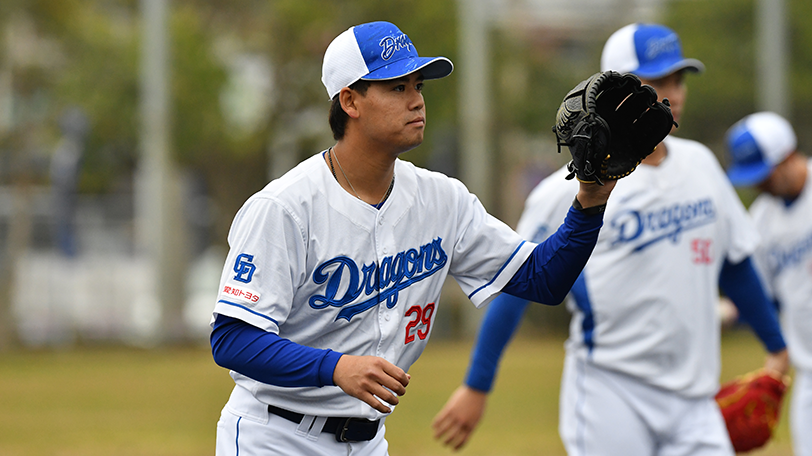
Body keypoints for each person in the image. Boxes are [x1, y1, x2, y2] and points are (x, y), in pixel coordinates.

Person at [209, 21, 620, 456]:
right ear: (349, 100)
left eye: (418, 85)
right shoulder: (286, 207)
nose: (417, 100)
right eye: (397, 87)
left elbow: (543, 278)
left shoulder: (442, 199)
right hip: (275, 437)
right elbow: (233, 338)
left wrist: (590, 200)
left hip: (367, 441)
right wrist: (335, 368)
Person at [432, 23, 790, 456]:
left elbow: (734, 264)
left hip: (696, 397)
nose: (672, 92)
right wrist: (477, 385)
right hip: (611, 390)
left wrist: (776, 349)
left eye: (678, 79)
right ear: (612, 89)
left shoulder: (702, 166)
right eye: (655, 82)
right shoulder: (567, 190)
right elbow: (517, 286)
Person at [725, 111, 812, 456]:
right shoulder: (759, 220)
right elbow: (761, 299)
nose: (759, 184)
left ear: (788, 156)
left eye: (765, 174)